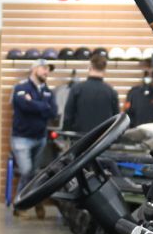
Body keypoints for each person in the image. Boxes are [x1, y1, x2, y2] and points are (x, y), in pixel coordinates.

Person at [9, 62, 58, 211]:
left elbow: (53, 113)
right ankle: (21, 205)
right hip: (21, 139)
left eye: (48, 70)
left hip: (40, 139)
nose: (47, 72)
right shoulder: (21, 88)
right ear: (34, 69)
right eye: (44, 68)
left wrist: (34, 104)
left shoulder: (48, 91)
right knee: (26, 171)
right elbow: (24, 107)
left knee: (34, 174)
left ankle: (30, 202)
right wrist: (43, 106)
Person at [63, 51, 121, 135]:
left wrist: (67, 134)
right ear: (104, 69)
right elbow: (116, 119)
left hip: (80, 138)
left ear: (90, 67)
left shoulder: (77, 88)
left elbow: (68, 116)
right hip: (102, 139)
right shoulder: (111, 92)